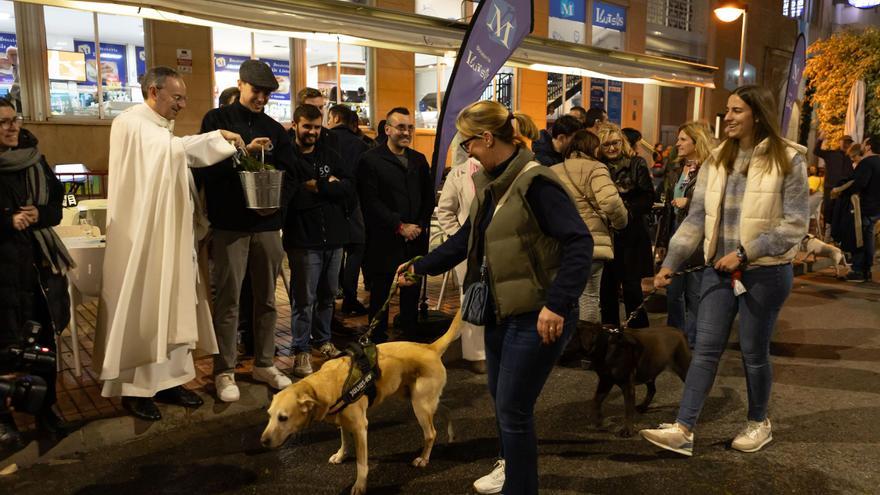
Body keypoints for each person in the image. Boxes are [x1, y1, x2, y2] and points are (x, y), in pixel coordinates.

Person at [399, 100, 592, 495]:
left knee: (514, 409)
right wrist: (420, 266)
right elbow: (464, 239)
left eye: (467, 142)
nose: (465, 150)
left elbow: (579, 242)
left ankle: (520, 488)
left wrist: (557, 303)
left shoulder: (536, 182)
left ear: (487, 138)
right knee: (505, 404)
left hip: (535, 313)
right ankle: (512, 471)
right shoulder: (491, 183)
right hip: (501, 311)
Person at [640, 85, 809, 456]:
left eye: (736, 111)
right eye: (727, 111)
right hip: (716, 271)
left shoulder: (788, 160)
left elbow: (795, 224)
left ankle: (758, 421)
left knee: (753, 351)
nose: (728, 117)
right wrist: (669, 263)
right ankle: (684, 428)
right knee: (704, 349)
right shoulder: (716, 160)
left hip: (765, 272)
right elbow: (696, 219)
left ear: (757, 114)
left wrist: (746, 254)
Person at [95, 66, 245, 420]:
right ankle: (135, 390)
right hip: (142, 237)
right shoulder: (132, 122)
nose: (181, 105)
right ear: (153, 92)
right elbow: (169, 151)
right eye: (176, 97)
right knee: (145, 306)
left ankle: (169, 382)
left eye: (183, 99)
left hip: (169, 234)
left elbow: (175, 151)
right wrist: (215, 138)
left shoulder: (160, 128)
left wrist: (212, 140)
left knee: (174, 301)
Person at [198, 60, 294, 403]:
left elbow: (289, 170)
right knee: (228, 300)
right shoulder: (216, 120)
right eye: (257, 91)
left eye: (267, 93)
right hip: (230, 225)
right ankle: (224, 370)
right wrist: (242, 152)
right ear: (240, 85)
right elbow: (205, 169)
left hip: (267, 224)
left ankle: (264, 363)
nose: (262, 98)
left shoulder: (275, 128)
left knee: (267, 299)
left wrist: (278, 207)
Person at [0, 98, 72, 447]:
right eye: (2, 122)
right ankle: (4, 419)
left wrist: (38, 214)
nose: (11, 127)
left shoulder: (35, 159)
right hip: (2, 271)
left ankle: (48, 411)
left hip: (37, 268)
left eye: (14, 120)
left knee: (42, 345)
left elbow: (57, 205)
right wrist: (6, 221)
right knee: (3, 347)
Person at [285, 104, 353, 376]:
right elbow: (291, 197)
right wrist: (330, 188)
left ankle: (323, 341)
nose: (312, 132)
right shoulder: (287, 157)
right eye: (307, 127)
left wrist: (319, 186)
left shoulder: (330, 154)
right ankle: (300, 350)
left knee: (327, 296)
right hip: (303, 240)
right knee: (304, 299)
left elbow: (348, 188)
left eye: (316, 127)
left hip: (334, 238)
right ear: (295, 125)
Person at [357, 107, 433, 342]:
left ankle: (409, 341)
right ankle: (377, 342)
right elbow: (370, 201)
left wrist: (418, 225)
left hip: (415, 240)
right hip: (384, 240)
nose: (406, 132)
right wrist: (399, 226)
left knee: (411, 292)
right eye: (401, 127)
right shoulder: (370, 160)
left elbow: (428, 198)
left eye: (410, 127)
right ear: (387, 129)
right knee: (381, 295)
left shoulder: (418, 160)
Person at [551, 129, 627, 323]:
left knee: (562, 297)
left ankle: (563, 345)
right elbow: (610, 203)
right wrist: (620, 223)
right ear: (593, 148)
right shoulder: (596, 168)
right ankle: (587, 345)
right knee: (589, 298)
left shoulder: (553, 170)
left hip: (559, 244)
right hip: (590, 243)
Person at [436, 133, 487, 374]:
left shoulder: (504, 170)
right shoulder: (458, 174)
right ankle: (475, 353)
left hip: (498, 246)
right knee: (472, 299)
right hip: (466, 250)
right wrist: (461, 239)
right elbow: (445, 211)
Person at [596, 123, 655, 329]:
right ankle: (609, 333)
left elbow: (648, 197)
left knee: (631, 287)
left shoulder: (636, 163)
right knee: (607, 288)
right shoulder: (598, 166)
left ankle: (639, 334)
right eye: (606, 145)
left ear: (622, 143)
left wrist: (623, 209)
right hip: (607, 233)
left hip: (632, 232)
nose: (611, 148)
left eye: (615, 143)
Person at [664, 122, 714, 348]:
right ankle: (675, 337)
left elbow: (712, 204)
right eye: (678, 139)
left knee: (694, 291)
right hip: (675, 230)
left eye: (683, 139)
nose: (677, 143)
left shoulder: (709, 170)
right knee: (673, 290)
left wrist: (689, 202)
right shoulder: (675, 168)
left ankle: (692, 340)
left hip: (699, 235)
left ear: (697, 141)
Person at [327, 105, 370, 315]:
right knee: (355, 249)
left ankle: (333, 295)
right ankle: (350, 298)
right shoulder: (360, 144)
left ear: (335, 117)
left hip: (328, 204)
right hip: (353, 204)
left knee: (334, 252)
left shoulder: (324, 140)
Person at [845, 135, 880, 282]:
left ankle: (858, 270)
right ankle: (868, 269)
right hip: (877, 207)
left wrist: (845, 191)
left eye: (865, 143)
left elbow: (859, 184)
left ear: (868, 146)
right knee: (869, 237)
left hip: (864, 207)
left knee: (860, 237)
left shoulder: (867, 163)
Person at [814, 132, 853, 239]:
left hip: (844, 189)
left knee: (840, 211)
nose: (846, 144)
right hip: (830, 188)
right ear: (840, 142)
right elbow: (816, 151)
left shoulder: (851, 157)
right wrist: (820, 139)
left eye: (849, 143)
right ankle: (827, 233)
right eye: (845, 142)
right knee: (828, 210)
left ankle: (836, 236)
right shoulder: (831, 154)